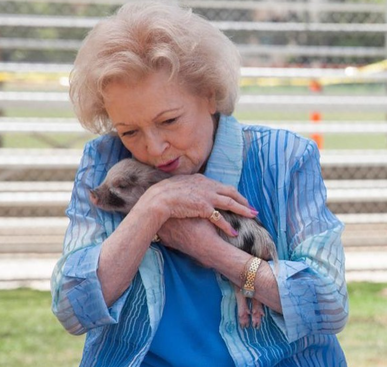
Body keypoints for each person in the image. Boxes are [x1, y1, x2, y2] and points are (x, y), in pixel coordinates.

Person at [51, 1, 349, 366]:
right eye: (129, 131)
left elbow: (331, 303)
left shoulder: (285, 158)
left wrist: (214, 252)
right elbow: (71, 310)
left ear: (210, 94)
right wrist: (153, 208)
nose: (154, 148)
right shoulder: (104, 163)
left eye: (170, 120)